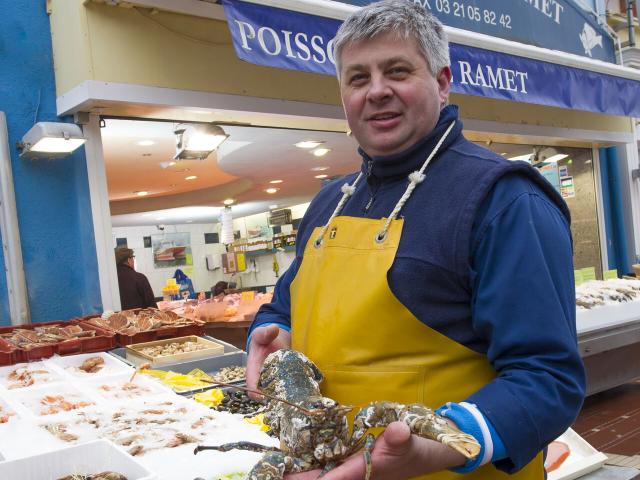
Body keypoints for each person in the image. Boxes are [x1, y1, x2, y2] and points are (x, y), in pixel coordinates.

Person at [246, 1, 585, 479]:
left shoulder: (505, 200)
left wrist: (431, 449)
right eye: (357, 78)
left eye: (397, 71)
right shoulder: (327, 203)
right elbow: (283, 307)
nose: (376, 91)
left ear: (443, 81)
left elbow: (548, 379)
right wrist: (272, 334)